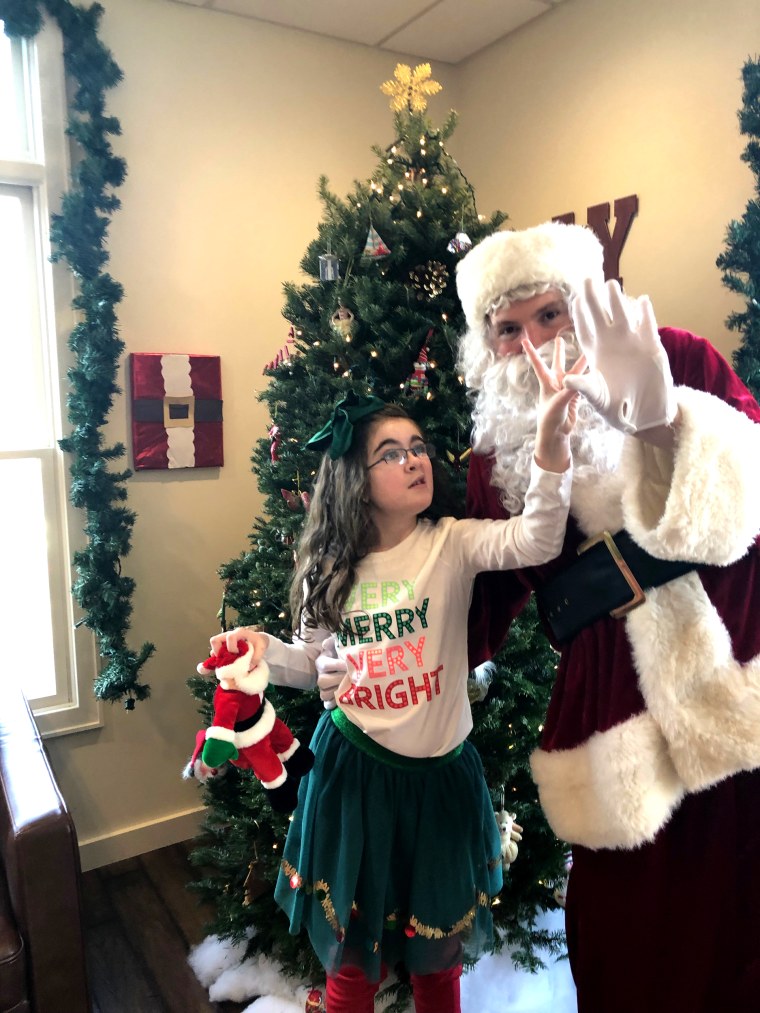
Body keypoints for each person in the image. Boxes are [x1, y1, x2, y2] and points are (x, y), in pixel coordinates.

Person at [207, 349, 584, 1013]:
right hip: (354, 783)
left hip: (441, 786)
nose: (414, 458)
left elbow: (540, 539)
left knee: (438, 963)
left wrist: (552, 443)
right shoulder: (331, 568)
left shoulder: (454, 543)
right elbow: (310, 663)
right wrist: (261, 650)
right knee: (353, 964)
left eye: (417, 447)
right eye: (391, 452)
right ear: (355, 477)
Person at [454, 220, 760, 1013]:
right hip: (611, 708)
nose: (531, 345)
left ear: (586, 304)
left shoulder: (680, 356)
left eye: (548, 314)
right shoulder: (494, 458)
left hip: (738, 658)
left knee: (745, 896)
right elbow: (477, 599)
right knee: (632, 925)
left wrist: (663, 420)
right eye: (507, 329)